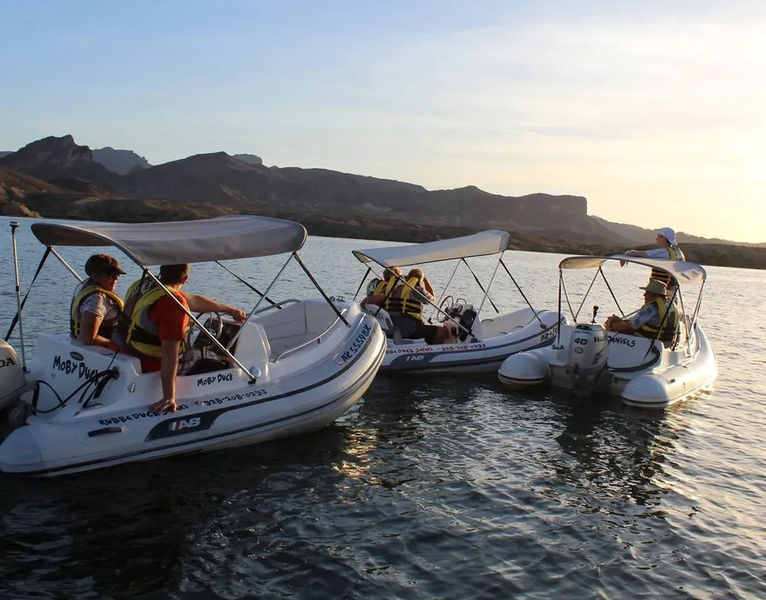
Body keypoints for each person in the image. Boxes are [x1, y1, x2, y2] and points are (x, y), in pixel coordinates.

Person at [115, 264, 246, 413]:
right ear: (185, 279)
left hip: (128, 349)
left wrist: (229, 310)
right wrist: (169, 397)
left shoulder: (145, 285)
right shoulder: (174, 306)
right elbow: (170, 355)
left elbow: (193, 300)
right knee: (218, 360)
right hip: (151, 362)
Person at [384, 268, 456, 344]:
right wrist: (425, 280)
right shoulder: (416, 290)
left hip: (393, 328)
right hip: (409, 329)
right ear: (419, 280)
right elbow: (432, 297)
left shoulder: (392, 289)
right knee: (443, 332)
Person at [70, 254, 126, 347]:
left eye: (117, 274)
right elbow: (88, 338)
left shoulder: (85, 286)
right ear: (95, 276)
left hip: (76, 342)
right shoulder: (97, 300)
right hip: (103, 352)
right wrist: (117, 347)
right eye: (110, 274)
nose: (116, 278)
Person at [604, 278, 678, 345]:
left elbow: (629, 327)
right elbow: (638, 322)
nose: (644, 295)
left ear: (655, 294)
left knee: (611, 330)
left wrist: (611, 324)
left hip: (646, 344)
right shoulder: (670, 305)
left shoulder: (651, 308)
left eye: (647, 292)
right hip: (664, 343)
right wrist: (620, 320)